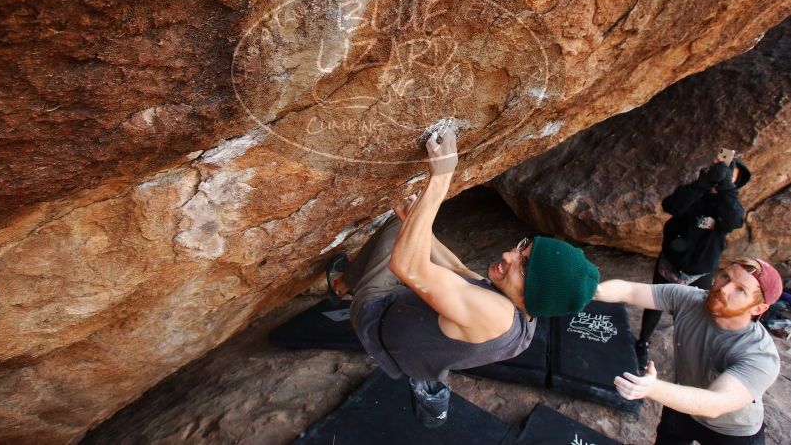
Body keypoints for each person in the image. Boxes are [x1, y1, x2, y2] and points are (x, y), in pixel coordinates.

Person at [327, 127, 600, 426]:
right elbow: (457, 268)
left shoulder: (497, 315)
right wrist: (416, 221)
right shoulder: (523, 313)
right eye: (523, 248)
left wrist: (441, 179)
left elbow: (407, 267)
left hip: (376, 318)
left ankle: (344, 286)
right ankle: (348, 290)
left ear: (534, 294)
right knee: (406, 227)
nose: (509, 256)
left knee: (401, 235)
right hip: (410, 334)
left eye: (522, 267)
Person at [595, 257, 782, 444]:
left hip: (732, 430)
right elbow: (631, 291)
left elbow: (715, 403)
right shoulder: (690, 299)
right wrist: (592, 290)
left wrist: (652, 388)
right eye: (725, 276)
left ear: (759, 307)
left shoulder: (759, 355)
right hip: (682, 406)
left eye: (740, 289)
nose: (724, 288)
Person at [636, 157, 751, 368]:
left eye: (729, 179)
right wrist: (703, 184)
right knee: (655, 304)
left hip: (701, 269)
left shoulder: (728, 204)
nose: (722, 181)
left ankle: (695, 353)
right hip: (671, 262)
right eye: (721, 175)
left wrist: (725, 188)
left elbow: (734, 220)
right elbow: (671, 206)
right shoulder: (695, 193)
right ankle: (642, 342)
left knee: (699, 311)